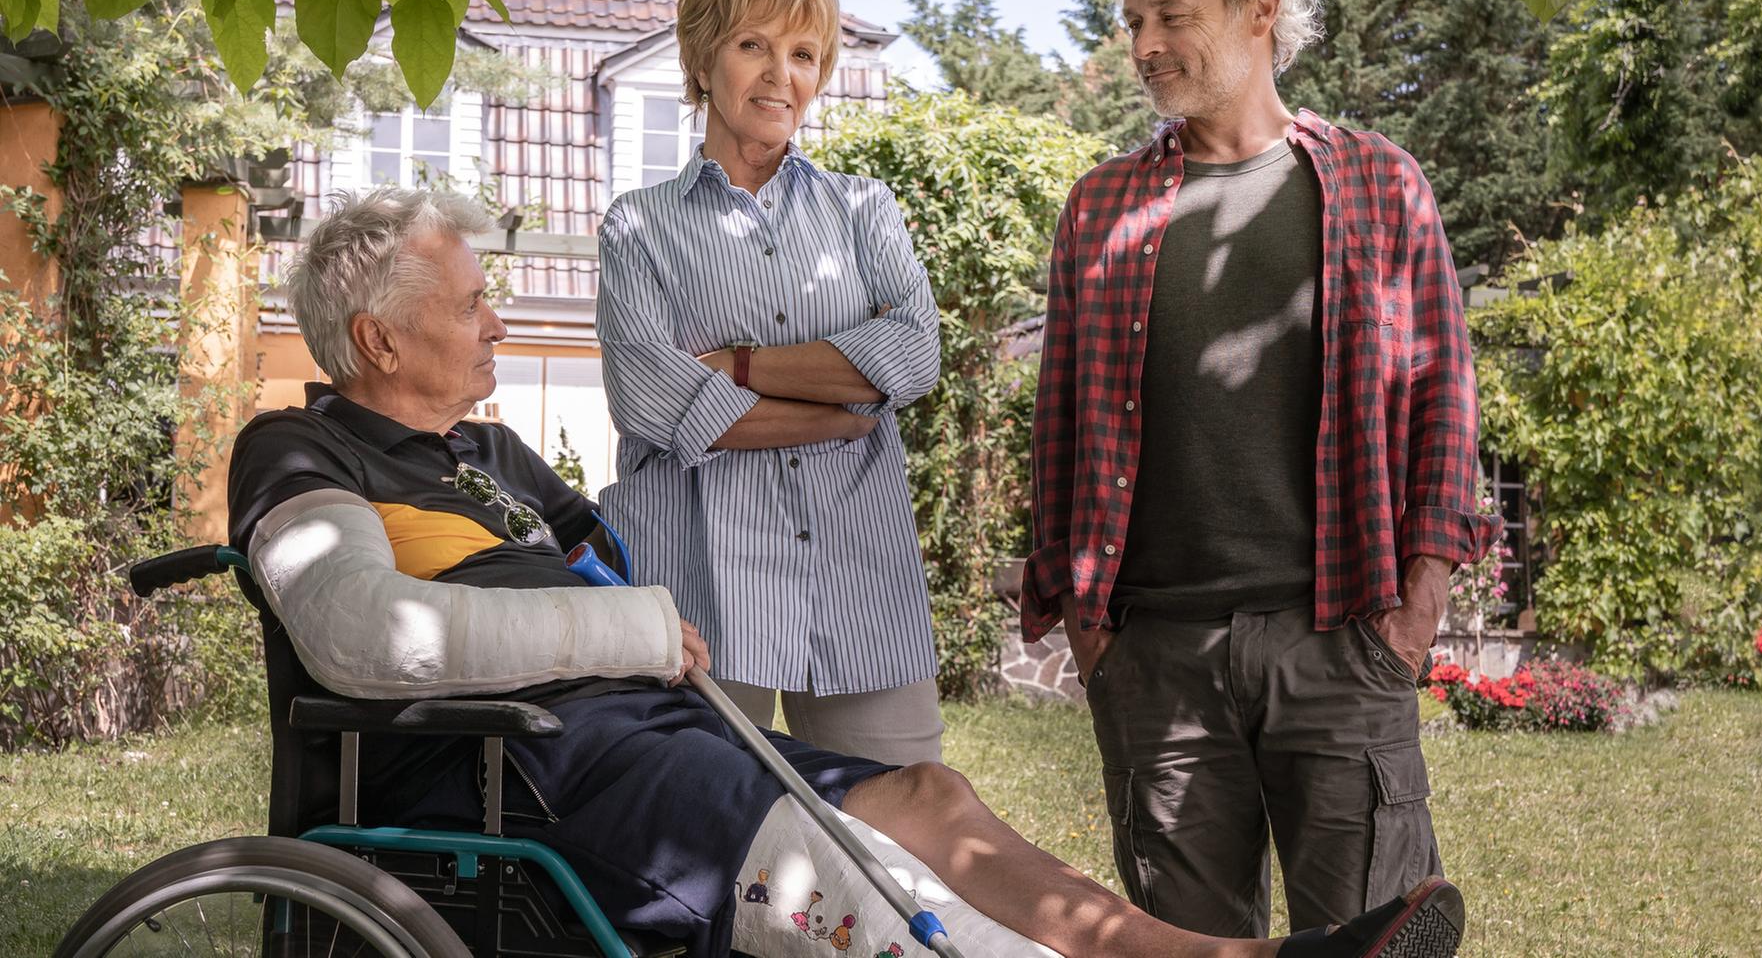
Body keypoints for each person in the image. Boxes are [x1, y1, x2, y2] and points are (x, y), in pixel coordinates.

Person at [227, 188, 1468, 958]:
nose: (500, 319)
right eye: (473, 302)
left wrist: (652, 618)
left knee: (927, 797)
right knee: (865, 893)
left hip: (632, 735)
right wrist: (631, 635)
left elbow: (610, 570)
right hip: (508, 774)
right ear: (380, 336)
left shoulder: (487, 451)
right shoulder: (298, 445)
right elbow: (365, 635)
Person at [1021, 0, 1500, 940]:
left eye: (1171, 16)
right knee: (1186, 947)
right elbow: (1058, 420)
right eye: (1134, 20)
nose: (1144, 43)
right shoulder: (1102, 204)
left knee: (1372, 934)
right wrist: (1091, 627)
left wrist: (1415, 609)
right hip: (1157, 657)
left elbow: (1444, 406)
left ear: (1258, 13)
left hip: (1341, 639)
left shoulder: (1382, 184)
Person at [595, 0, 943, 767]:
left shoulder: (865, 209)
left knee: (905, 822)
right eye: (754, 45)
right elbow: (654, 403)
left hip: (858, 570)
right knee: (703, 835)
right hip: (698, 585)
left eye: (804, 54)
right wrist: (837, 411)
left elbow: (916, 352)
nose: (780, 75)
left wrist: (737, 366)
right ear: (702, 59)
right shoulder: (637, 226)